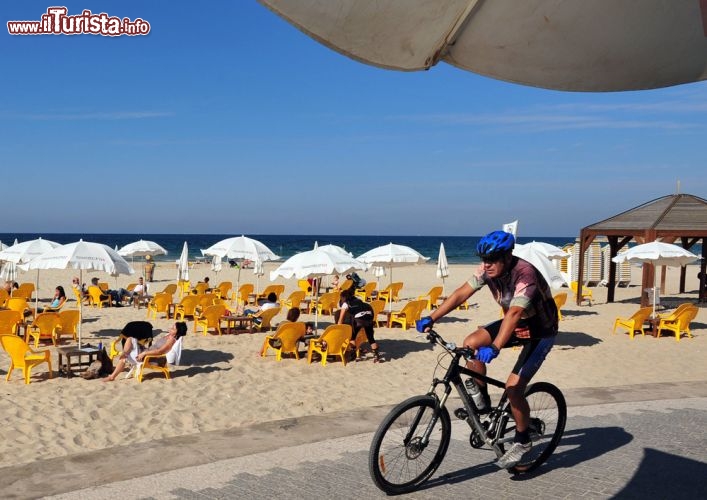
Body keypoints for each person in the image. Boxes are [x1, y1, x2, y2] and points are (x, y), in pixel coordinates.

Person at [416, 230, 558, 470]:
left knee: (514, 390)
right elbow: (462, 293)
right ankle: (482, 404)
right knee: (470, 343)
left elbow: (514, 313)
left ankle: (523, 440)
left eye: (491, 260)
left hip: (539, 332)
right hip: (514, 324)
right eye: (483, 259)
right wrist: (432, 316)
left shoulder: (526, 274)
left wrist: (495, 347)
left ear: (507, 256)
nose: (486, 265)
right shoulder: (487, 270)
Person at [337, 287, 383, 363]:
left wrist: (338, 328)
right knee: (371, 338)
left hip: (359, 319)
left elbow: (340, 319)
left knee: (352, 336)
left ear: (343, 297)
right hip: (369, 316)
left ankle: (353, 354)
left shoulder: (345, 303)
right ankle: (376, 355)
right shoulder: (358, 300)